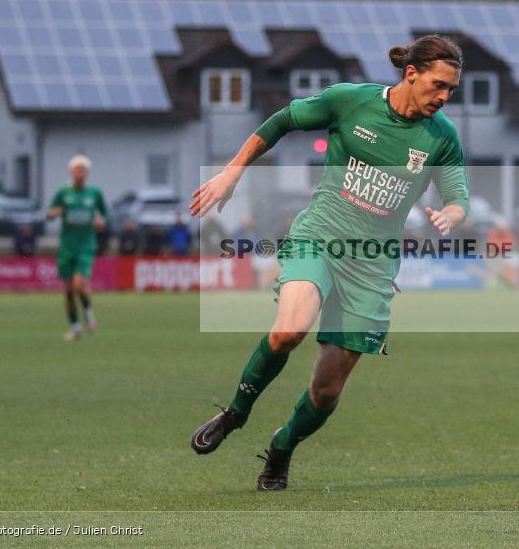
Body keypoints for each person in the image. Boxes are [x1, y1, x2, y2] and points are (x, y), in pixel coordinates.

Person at [188, 35, 469, 491]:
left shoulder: (442, 138)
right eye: (438, 85)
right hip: (319, 237)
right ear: (411, 73)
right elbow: (282, 121)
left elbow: (458, 197)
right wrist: (233, 170)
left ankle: (282, 448)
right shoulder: (349, 101)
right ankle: (236, 413)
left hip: (372, 266)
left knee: (326, 392)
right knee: (289, 330)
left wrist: (451, 214)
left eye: (451, 90)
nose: (444, 97)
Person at [46, 155, 108, 341]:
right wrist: (55, 212)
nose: (79, 172)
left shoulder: (94, 193)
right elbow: (49, 214)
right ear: (71, 172)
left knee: (79, 286)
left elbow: (105, 214)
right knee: (68, 291)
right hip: (67, 247)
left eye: (83, 169)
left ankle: (88, 313)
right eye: (76, 169)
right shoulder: (63, 193)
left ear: (87, 173)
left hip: (86, 246)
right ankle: (75, 328)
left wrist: (100, 220)